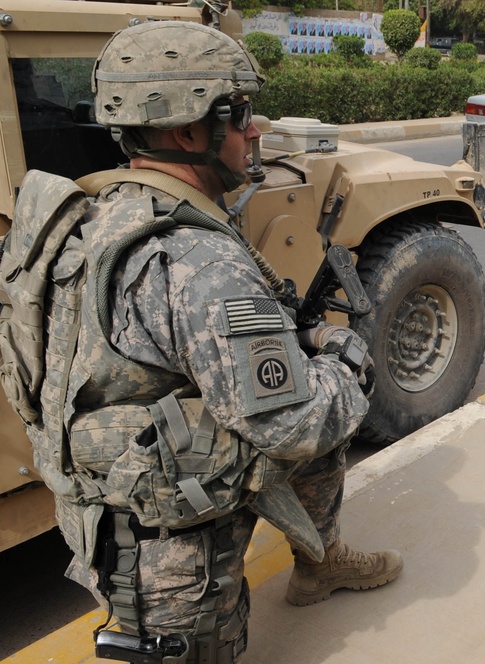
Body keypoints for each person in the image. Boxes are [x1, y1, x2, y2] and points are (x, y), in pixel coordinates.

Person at [30, 20, 402, 662]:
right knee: (326, 397)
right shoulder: (198, 262)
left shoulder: (97, 213)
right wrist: (346, 359)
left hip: (111, 492)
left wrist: (297, 339)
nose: (255, 132)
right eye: (241, 114)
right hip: (167, 559)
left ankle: (321, 562)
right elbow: (295, 426)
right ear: (188, 131)